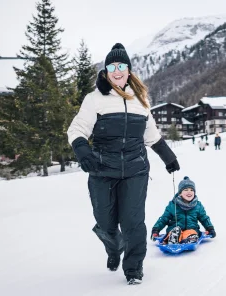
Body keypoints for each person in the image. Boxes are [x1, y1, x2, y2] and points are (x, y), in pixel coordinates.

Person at [67, 43, 181, 285]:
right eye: (112, 66)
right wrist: (83, 151)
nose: (117, 71)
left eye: (121, 66)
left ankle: (133, 268)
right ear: (106, 71)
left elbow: (151, 135)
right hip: (101, 169)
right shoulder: (95, 99)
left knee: (132, 221)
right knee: (106, 222)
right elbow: (77, 129)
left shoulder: (141, 100)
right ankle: (113, 246)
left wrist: (168, 157)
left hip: (135, 169)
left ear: (129, 70)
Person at [151, 176, 216, 244]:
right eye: (186, 190)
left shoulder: (198, 206)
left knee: (191, 233)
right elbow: (164, 219)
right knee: (175, 231)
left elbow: (204, 218)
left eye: (192, 190)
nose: (189, 192)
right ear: (180, 193)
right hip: (174, 230)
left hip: (191, 230)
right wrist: (156, 229)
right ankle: (173, 238)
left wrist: (210, 228)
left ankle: (189, 239)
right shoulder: (173, 205)